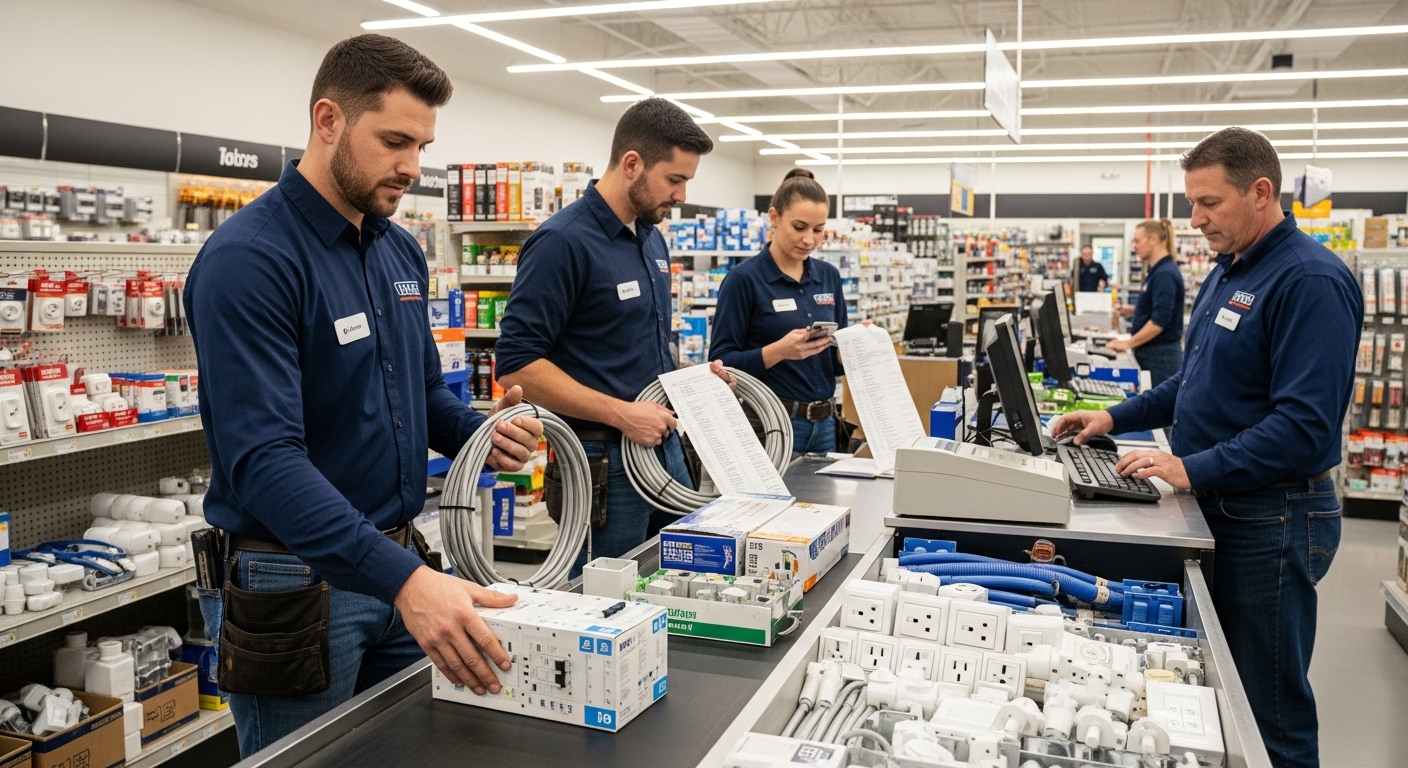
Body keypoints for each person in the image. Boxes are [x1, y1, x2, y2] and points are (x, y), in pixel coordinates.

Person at [184, 35, 544, 757]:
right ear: (328, 121)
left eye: (423, 146)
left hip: (397, 566)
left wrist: (477, 435)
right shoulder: (251, 261)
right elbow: (265, 462)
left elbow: (416, 397)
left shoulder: (397, 250)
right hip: (295, 583)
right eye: (394, 141)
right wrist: (408, 582)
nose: (412, 167)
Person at [1051, 127, 1361, 768]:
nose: (1195, 221)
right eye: (1191, 204)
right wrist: (1112, 417)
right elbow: (1191, 387)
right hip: (1229, 506)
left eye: (1209, 204)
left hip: (1272, 518)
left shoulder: (1310, 281)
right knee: (1226, 696)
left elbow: (1303, 428)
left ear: (1261, 192)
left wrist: (1189, 467)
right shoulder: (1230, 271)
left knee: (1269, 712)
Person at [495, 97, 733, 569]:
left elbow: (635, 350)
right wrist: (622, 414)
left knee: (676, 590)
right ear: (632, 164)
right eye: (675, 179)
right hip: (602, 466)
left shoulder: (651, 237)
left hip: (664, 453)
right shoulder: (562, 242)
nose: (682, 195)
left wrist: (691, 381)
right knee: (610, 607)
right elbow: (516, 364)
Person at [709, 170, 847, 455]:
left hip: (826, 426)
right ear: (774, 218)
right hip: (771, 423)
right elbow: (720, 363)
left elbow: (835, 363)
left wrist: (853, 350)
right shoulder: (744, 279)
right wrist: (779, 351)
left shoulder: (829, 276)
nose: (809, 239)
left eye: (818, 229)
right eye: (799, 227)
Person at [1107, 218, 1185, 385]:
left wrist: (1127, 343)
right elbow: (1156, 309)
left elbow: (1159, 321)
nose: (1134, 246)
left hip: (1160, 358)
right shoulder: (1157, 271)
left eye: (1137, 240)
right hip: (1153, 354)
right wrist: (1130, 311)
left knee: (1159, 409)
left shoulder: (1164, 274)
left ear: (1154, 239)